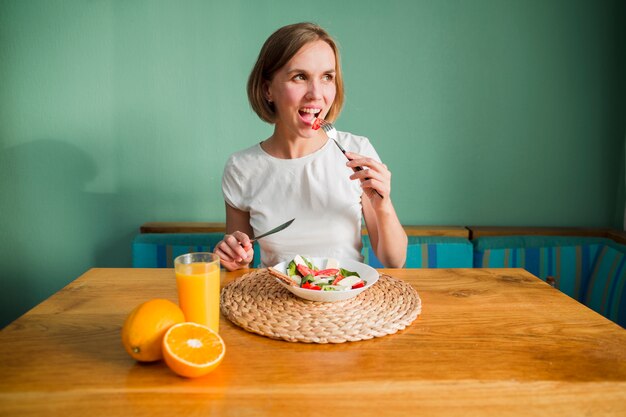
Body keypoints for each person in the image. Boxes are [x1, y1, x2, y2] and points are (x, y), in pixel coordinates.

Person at [215, 22, 407, 271]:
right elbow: (239, 264)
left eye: (327, 77)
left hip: (345, 303)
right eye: (300, 77)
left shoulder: (358, 150)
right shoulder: (242, 168)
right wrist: (234, 256)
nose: (316, 94)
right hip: (275, 304)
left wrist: (384, 204)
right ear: (267, 89)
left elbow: (395, 260)